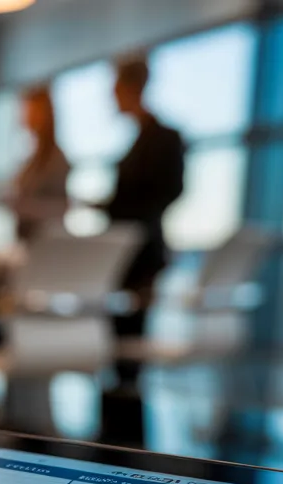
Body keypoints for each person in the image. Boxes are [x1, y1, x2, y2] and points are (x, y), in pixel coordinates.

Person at [100, 56, 185, 340]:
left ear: (129, 88)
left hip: (141, 250)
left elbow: (168, 190)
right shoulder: (141, 138)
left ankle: (128, 372)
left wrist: (115, 205)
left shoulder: (164, 137)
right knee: (120, 330)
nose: (112, 99)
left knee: (131, 331)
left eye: (115, 90)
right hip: (124, 248)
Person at [9, 85, 70, 242]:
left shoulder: (56, 159)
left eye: (31, 111)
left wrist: (23, 206)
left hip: (46, 242)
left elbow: (61, 207)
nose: (25, 116)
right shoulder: (34, 158)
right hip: (28, 239)